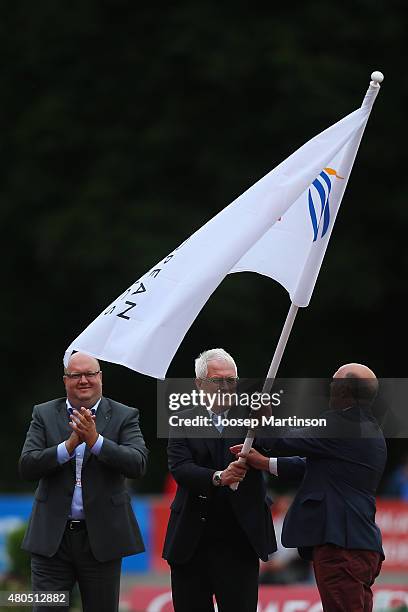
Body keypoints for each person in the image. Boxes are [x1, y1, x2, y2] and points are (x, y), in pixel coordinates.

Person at [231, 362, 387, 612]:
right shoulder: (368, 429)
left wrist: (264, 417)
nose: (329, 387)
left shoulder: (341, 424)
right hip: (359, 544)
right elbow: (311, 467)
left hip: (340, 545)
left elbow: (281, 439)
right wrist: (264, 462)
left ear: (344, 391)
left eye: (333, 382)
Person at [19, 352, 148, 612]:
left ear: (100, 377)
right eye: (76, 375)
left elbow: (138, 463)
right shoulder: (44, 414)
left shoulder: (124, 415)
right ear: (65, 380)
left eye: (90, 374)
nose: (83, 380)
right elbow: (27, 465)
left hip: (101, 538)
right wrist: (67, 447)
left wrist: (95, 441)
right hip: (52, 540)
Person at [162, 348, 277, 612]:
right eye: (218, 380)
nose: (226, 387)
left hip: (240, 539)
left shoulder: (253, 415)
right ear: (200, 384)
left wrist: (268, 420)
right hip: (192, 539)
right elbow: (180, 468)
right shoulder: (182, 420)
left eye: (231, 380)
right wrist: (218, 477)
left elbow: (274, 447)